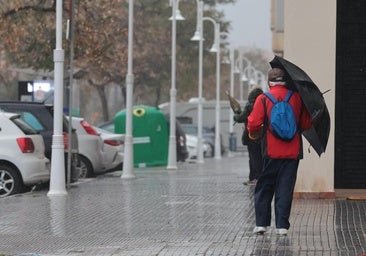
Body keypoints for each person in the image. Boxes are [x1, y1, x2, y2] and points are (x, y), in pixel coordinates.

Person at [247, 68, 312, 236]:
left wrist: (259, 130)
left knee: (264, 186)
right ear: (286, 81)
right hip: (292, 152)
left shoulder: (263, 98)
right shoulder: (297, 98)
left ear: (269, 82)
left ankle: (262, 224)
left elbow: (253, 123)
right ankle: (282, 226)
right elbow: (305, 124)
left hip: (271, 151)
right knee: (285, 187)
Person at [233, 86, 263, 185]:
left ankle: (254, 178)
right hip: (262, 135)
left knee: (253, 158)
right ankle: (257, 178)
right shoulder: (264, 103)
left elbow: (241, 117)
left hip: (251, 135)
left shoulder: (250, 105)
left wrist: (236, 116)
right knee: (260, 157)